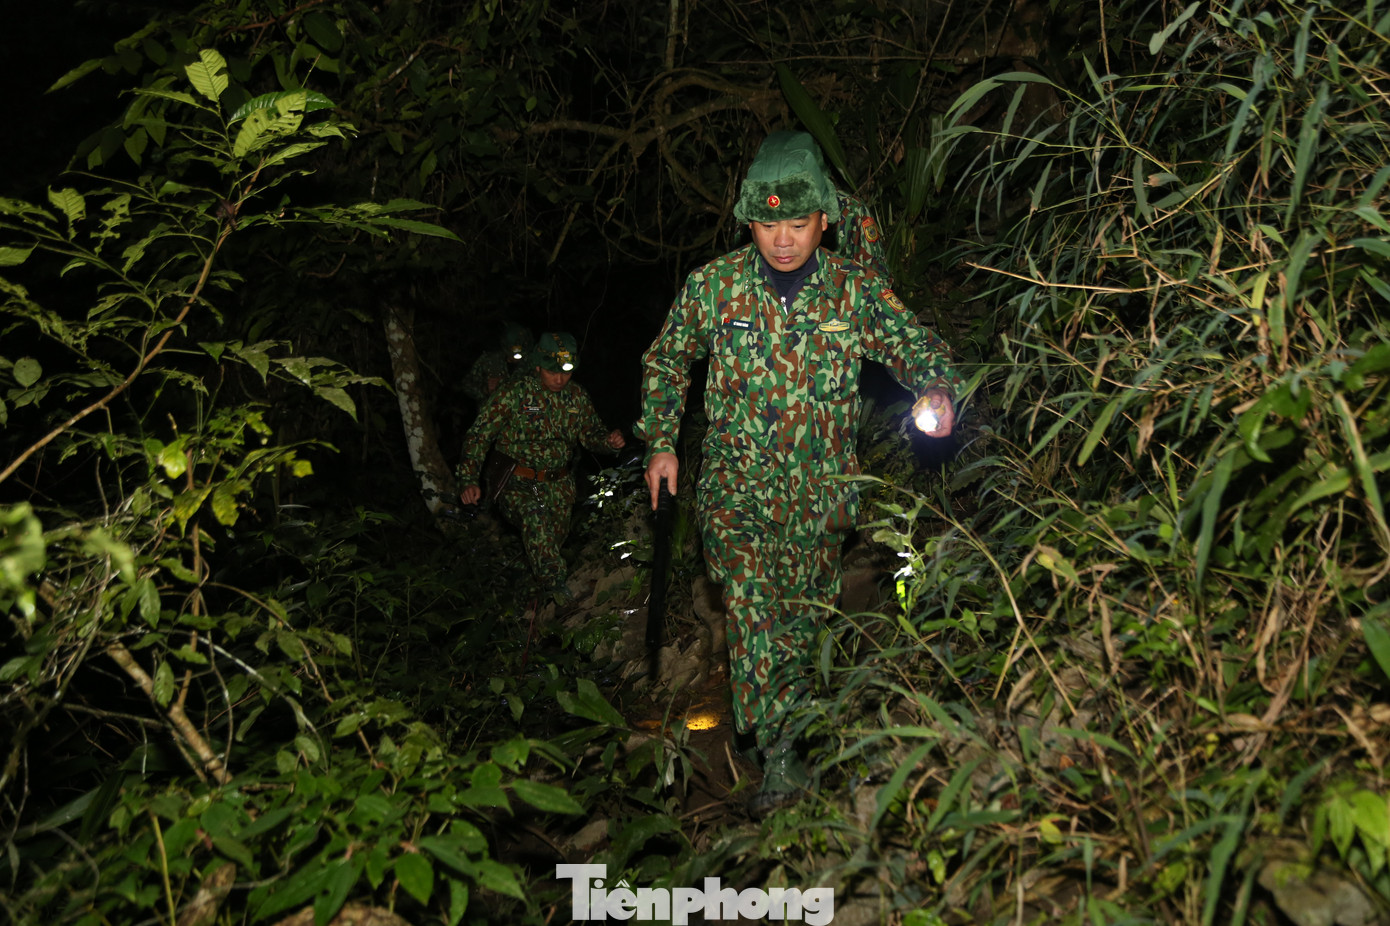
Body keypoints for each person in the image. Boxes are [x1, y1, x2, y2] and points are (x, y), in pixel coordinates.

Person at [636, 131, 962, 815]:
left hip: (822, 493)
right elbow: (666, 359)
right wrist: (662, 442)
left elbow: (918, 347)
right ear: (748, 220)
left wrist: (936, 390)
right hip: (736, 486)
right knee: (752, 603)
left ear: (824, 220)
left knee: (802, 621)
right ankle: (781, 753)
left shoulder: (854, 291)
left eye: (798, 224)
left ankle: (796, 726)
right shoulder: (715, 287)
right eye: (767, 224)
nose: (782, 240)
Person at [457, 332, 626, 602]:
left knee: (546, 547)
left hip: (559, 487)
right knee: (534, 521)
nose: (559, 379)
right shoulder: (514, 393)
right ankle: (561, 595)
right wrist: (468, 479)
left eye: (566, 372)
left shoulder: (577, 397)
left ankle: (530, 602)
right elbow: (479, 435)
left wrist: (609, 442)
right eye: (552, 372)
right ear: (537, 366)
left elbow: (591, 433)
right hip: (517, 483)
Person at [462, 323, 535, 410]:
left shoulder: (532, 364)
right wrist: (485, 389)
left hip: (520, 415)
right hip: (492, 415)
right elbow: (467, 384)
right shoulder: (490, 360)